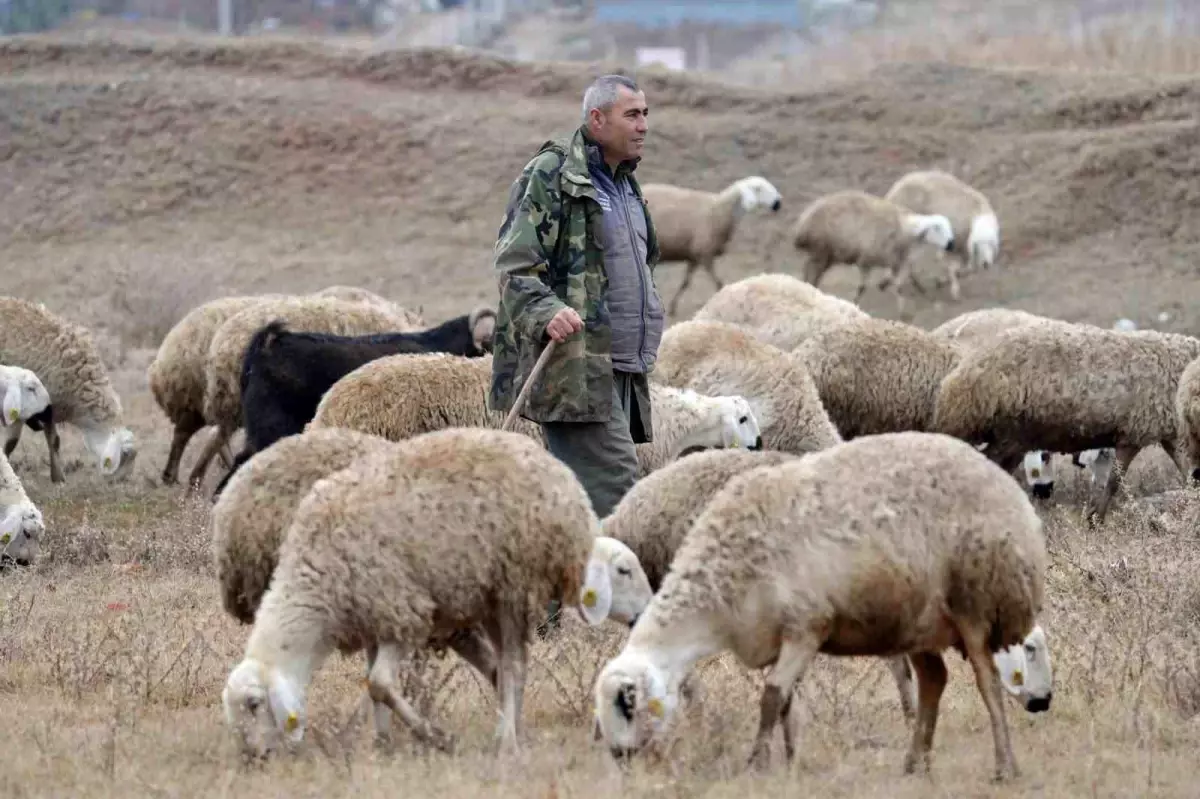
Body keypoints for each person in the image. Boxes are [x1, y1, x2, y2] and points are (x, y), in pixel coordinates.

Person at [488, 73, 665, 522]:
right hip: (577, 367)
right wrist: (547, 310)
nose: (643, 124)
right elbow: (514, 263)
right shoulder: (552, 175)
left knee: (587, 504)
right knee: (619, 499)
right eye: (632, 115)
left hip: (624, 368)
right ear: (597, 119)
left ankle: (561, 586)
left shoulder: (625, 184)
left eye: (645, 113)